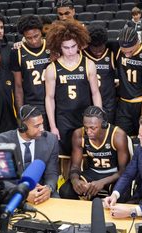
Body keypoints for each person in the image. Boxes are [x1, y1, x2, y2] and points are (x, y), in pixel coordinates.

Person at [45, 19, 102, 156]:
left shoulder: (89, 64)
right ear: (59, 46)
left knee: (87, 153)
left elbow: (95, 93)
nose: (70, 51)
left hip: (85, 116)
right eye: (66, 47)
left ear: (79, 44)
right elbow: (49, 98)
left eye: (73, 46)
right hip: (63, 118)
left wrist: (99, 118)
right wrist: (53, 126)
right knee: (65, 155)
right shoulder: (52, 68)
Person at [59, 106, 130, 200]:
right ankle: (83, 213)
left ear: (103, 124)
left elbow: (124, 171)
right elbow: (75, 166)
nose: (88, 132)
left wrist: (102, 182)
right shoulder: (79, 134)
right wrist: (75, 180)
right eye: (86, 127)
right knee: (66, 191)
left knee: (123, 195)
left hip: (114, 174)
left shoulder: (117, 135)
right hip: (93, 172)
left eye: (93, 128)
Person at [0, 105, 59, 203]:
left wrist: (48, 188)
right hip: (11, 192)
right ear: (22, 127)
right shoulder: (1, 142)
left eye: (42, 124)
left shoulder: (51, 140)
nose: (42, 129)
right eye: (37, 126)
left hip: (39, 191)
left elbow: (52, 173)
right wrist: (22, 193)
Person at [10, 15, 51, 130]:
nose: (33, 41)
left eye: (36, 36)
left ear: (41, 31)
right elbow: (18, 86)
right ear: (23, 37)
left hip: (54, 100)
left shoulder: (52, 46)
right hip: (33, 103)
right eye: (29, 38)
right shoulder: (16, 52)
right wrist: (21, 112)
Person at [83, 25, 117, 123]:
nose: (98, 52)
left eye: (101, 49)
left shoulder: (111, 52)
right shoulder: (82, 53)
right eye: (95, 49)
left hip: (108, 102)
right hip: (88, 100)